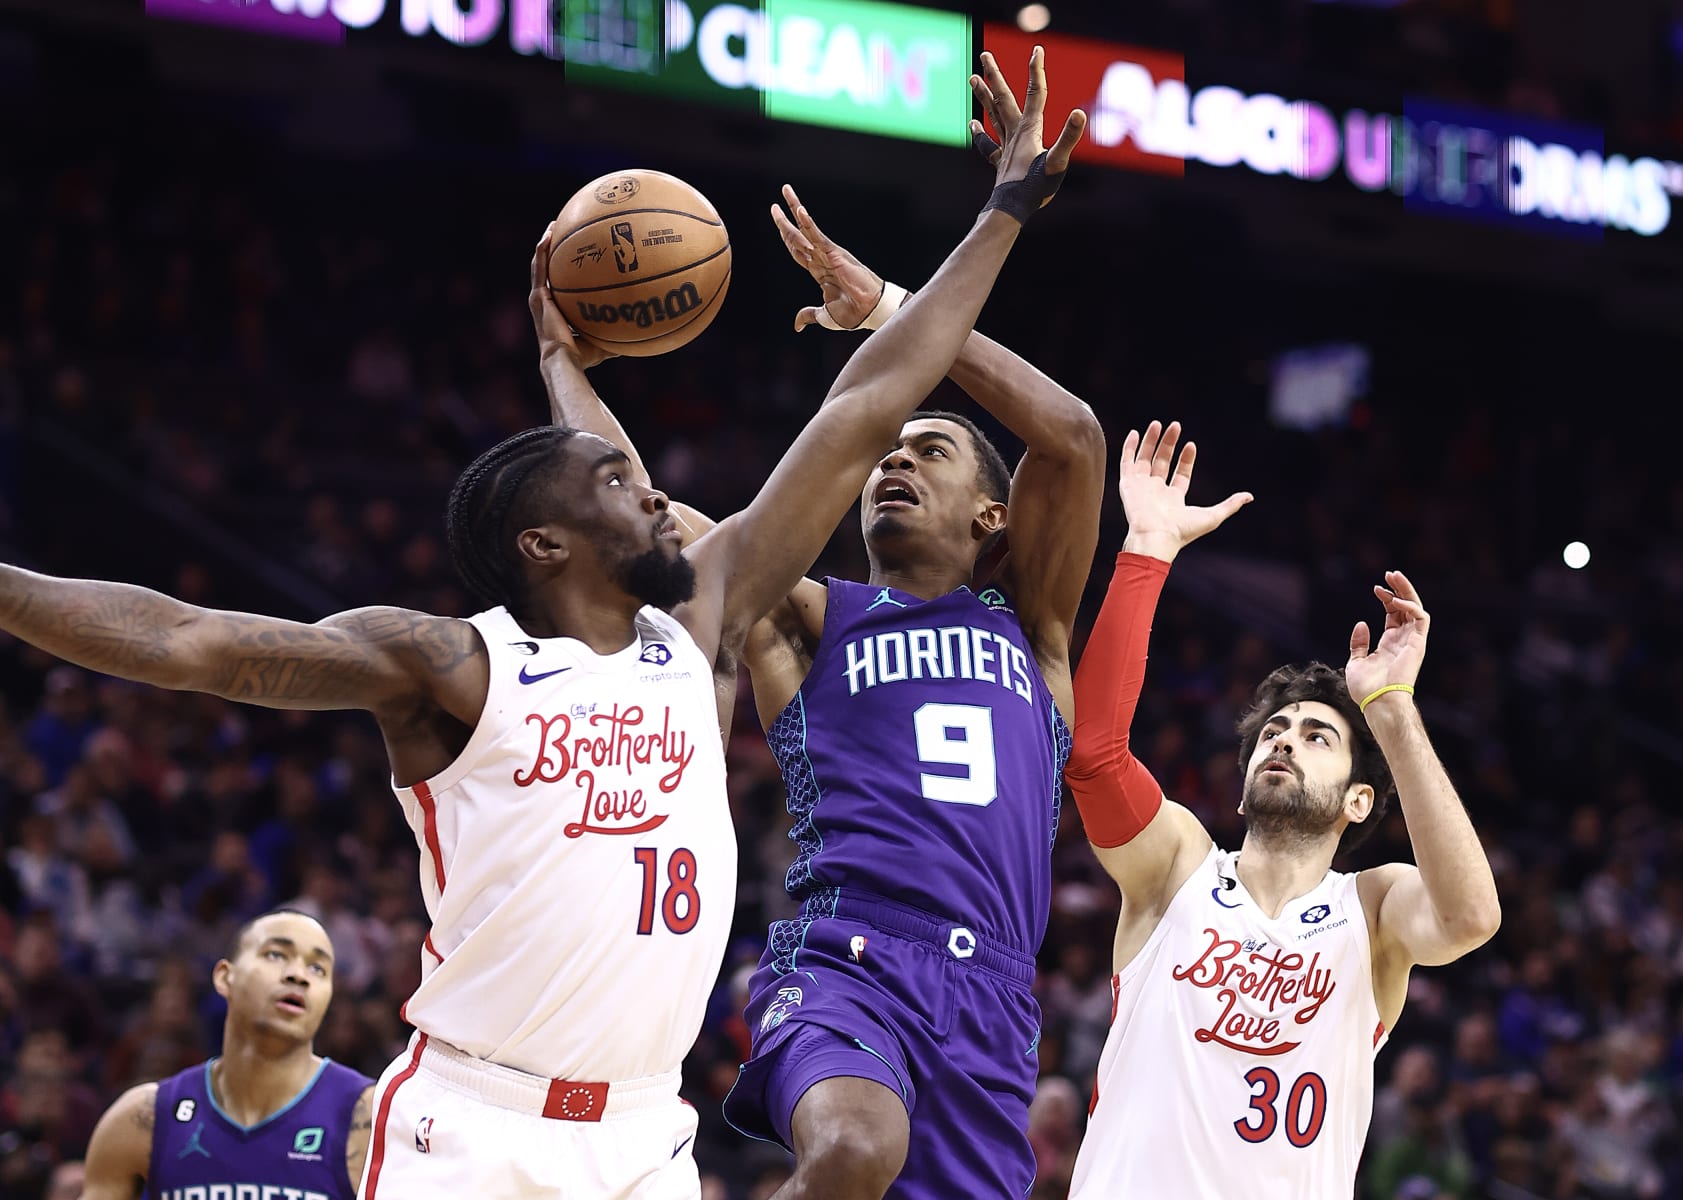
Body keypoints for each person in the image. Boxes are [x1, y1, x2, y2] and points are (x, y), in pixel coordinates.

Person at [0, 47, 1071, 1200]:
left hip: (643, 1135)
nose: (653, 493)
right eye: (617, 484)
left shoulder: (696, 634)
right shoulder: (451, 665)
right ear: (545, 543)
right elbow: (189, 641)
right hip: (472, 1124)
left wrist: (1003, 213)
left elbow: (867, 402)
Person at [535, 51, 1102, 1199]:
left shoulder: (1033, 632)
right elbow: (639, 518)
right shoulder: (805, 616)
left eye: (928, 451)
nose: (893, 462)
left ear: (992, 514)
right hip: (847, 957)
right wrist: (559, 361)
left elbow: (1075, 435)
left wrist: (894, 311)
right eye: (886, 451)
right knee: (850, 1153)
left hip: (994, 1002)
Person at [1063, 423, 1502, 1198]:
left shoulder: (1372, 909)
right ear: (1240, 788)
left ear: (1358, 800)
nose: (1285, 740)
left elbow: (1469, 917)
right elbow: (1095, 754)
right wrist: (1147, 551)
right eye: (1274, 731)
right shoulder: (1177, 867)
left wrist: (1392, 711)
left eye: (1316, 736)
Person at [79, 910, 374, 1200]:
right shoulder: (145, 1118)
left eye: (318, 969)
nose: (298, 975)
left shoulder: (371, 1117)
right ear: (225, 977)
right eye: (276, 955)